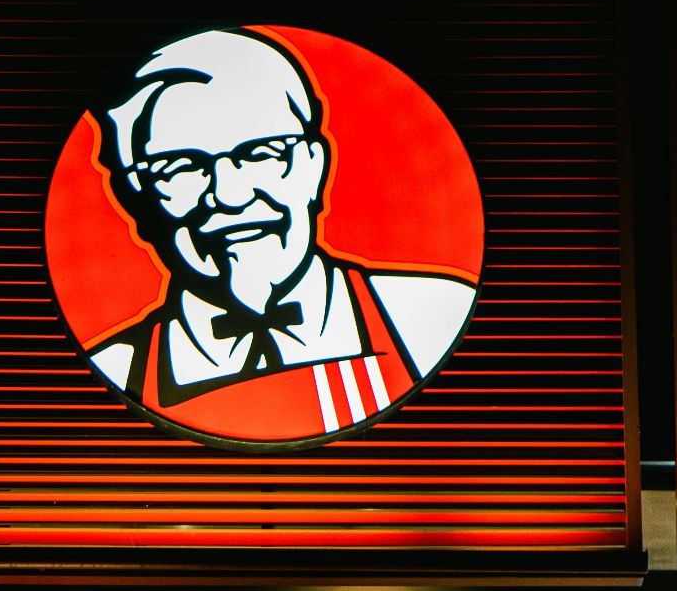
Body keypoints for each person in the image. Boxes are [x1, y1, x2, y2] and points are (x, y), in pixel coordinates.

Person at [88, 28, 478, 448]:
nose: (230, 195)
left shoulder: (426, 316)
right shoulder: (116, 368)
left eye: (261, 154)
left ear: (314, 166)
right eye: (181, 168)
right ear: (135, 199)